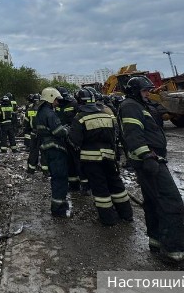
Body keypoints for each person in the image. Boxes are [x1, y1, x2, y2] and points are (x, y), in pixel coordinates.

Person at [118, 76, 184, 269]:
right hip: (150, 160)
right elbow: (132, 134)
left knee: (153, 201)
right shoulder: (130, 106)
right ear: (136, 91)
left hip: (151, 159)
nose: (148, 93)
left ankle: (157, 241)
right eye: (145, 91)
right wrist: (147, 156)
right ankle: (173, 252)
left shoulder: (140, 105)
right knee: (171, 202)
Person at [69, 88, 132, 225]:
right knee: (116, 183)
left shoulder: (80, 117)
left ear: (79, 101)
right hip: (109, 155)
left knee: (100, 187)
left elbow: (75, 141)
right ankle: (126, 214)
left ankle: (108, 218)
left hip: (91, 159)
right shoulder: (106, 114)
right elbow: (115, 136)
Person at [35, 87, 70, 217]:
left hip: (47, 148)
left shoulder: (41, 112)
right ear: (50, 98)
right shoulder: (50, 114)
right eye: (56, 99)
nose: (57, 102)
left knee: (56, 177)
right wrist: (67, 130)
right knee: (60, 178)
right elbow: (58, 132)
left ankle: (60, 205)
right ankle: (58, 210)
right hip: (55, 149)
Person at [55, 87, 84, 192]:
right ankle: (73, 185)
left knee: (78, 161)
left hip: (74, 137)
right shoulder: (56, 105)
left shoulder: (74, 104)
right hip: (62, 137)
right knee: (68, 162)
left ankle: (85, 185)